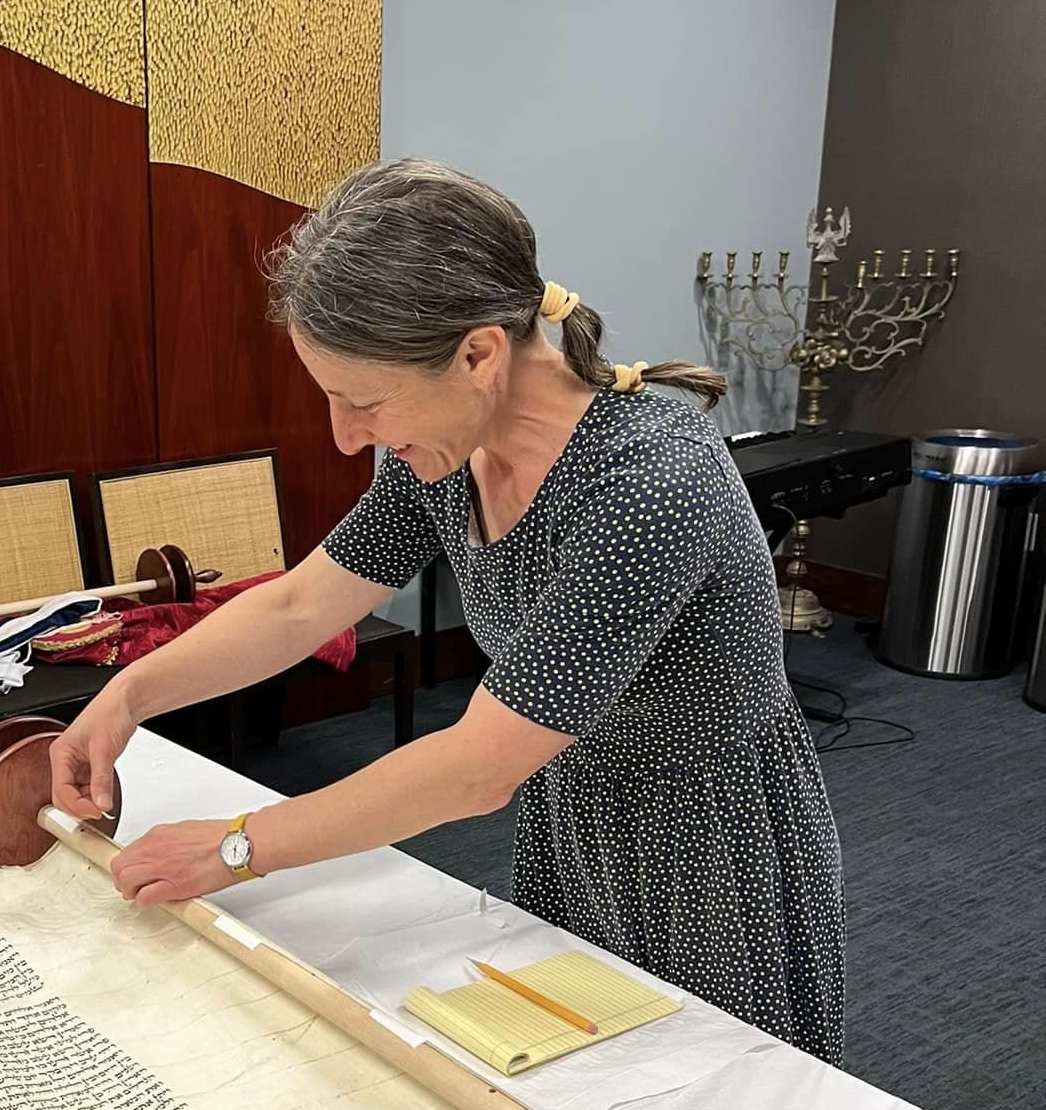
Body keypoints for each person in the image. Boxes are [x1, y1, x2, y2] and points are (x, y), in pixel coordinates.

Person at [50, 159, 844, 1061]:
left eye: (365, 402)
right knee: (583, 1083)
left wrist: (238, 847)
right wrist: (126, 700)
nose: (348, 437)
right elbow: (302, 604)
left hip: (704, 844)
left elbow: (478, 767)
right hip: (573, 807)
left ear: (479, 354)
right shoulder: (443, 453)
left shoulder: (648, 482)